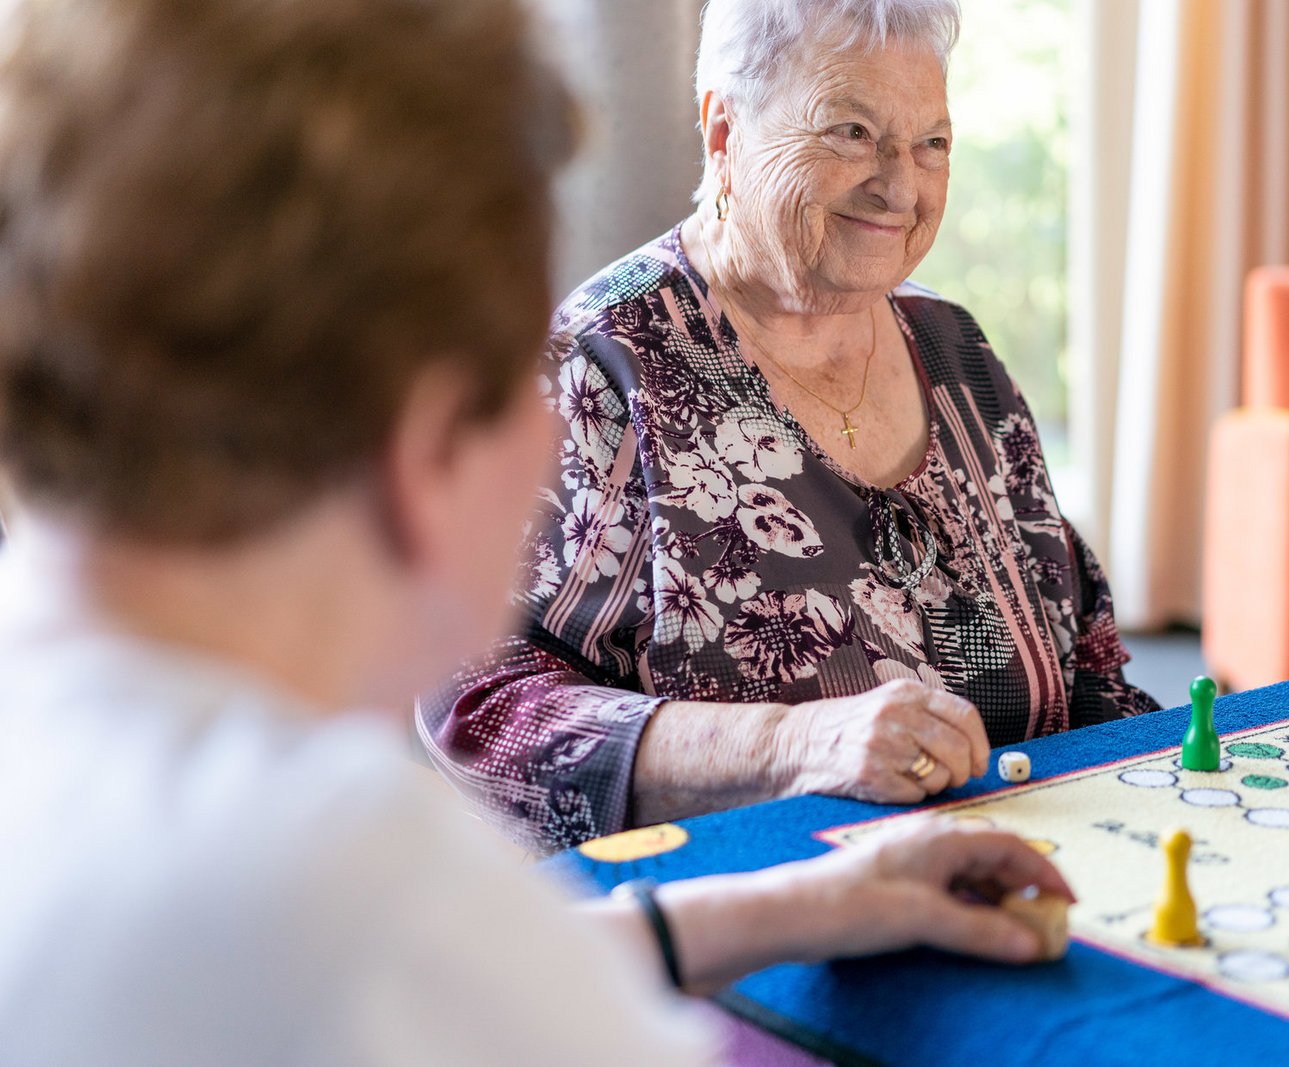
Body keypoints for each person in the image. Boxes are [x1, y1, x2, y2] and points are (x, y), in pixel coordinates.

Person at [0, 0, 1074, 1062]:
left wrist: (811, 902)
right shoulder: (347, 881)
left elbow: (467, 953)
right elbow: (439, 923)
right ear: (430, 445)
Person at [423, 0, 1158, 852]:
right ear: (724, 129)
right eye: (851, 130)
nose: (900, 184)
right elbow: (477, 700)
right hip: (743, 922)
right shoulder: (598, 369)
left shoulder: (960, 356)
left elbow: (1088, 659)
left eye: (933, 142)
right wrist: (788, 745)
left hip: (1021, 874)